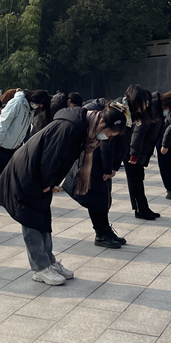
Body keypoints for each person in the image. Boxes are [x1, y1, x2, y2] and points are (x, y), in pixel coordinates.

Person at [0, 105, 126, 285]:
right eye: (108, 133)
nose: (106, 137)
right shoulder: (70, 127)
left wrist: (51, 182)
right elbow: (51, 155)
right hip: (28, 172)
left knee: (43, 218)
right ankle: (40, 268)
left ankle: (49, 261)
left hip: (38, 173)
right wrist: (46, 182)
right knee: (31, 219)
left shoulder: (83, 127)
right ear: (101, 121)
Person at [63, 103, 129, 248]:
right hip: (91, 166)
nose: (108, 136)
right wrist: (107, 169)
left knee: (101, 200)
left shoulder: (111, 122)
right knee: (95, 200)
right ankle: (100, 234)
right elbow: (106, 148)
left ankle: (105, 230)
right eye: (109, 133)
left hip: (97, 165)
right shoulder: (97, 125)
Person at [124, 86, 171, 220]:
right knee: (135, 180)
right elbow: (139, 131)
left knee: (138, 179)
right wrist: (134, 154)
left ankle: (143, 207)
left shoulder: (155, 108)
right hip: (132, 151)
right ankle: (140, 209)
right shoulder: (152, 109)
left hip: (138, 151)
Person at [0, 89, 51, 185]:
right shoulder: (17, 103)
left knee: (11, 171)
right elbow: (4, 121)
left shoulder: (30, 109)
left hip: (14, 144)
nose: (38, 107)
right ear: (33, 98)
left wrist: (19, 142)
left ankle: (7, 191)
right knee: (0, 171)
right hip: (1, 142)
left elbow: (24, 128)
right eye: (38, 104)